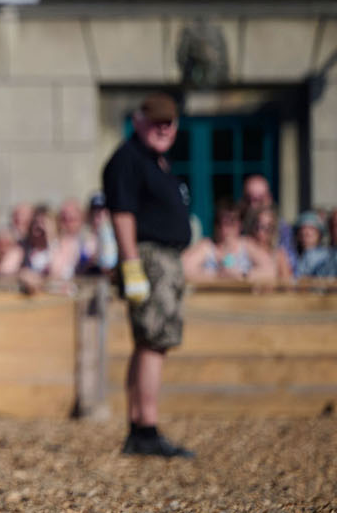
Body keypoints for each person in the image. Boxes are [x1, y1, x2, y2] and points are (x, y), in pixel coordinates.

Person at [102, 92, 194, 458]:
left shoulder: (156, 161)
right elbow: (122, 213)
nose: (164, 128)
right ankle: (146, 428)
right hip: (149, 259)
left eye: (169, 122)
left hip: (164, 261)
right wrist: (130, 264)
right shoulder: (129, 159)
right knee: (154, 342)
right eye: (156, 122)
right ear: (137, 120)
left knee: (149, 343)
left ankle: (141, 426)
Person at [182, 203, 264, 281]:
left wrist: (242, 275)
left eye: (231, 222)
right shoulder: (207, 245)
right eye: (220, 222)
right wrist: (217, 275)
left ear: (240, 224)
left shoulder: (247, 244)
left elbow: (269, 269)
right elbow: (185, 269)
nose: (224, 228)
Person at [244, 206, 292, 285]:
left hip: (271, 295)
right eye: (260, 226)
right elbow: (228, 261)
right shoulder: (245, 244)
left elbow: (287, 284)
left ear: (273, 229)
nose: (263, 230)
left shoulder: (279, 254)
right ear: (253, 225)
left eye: (269, 227)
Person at [292, 211, 332, 278]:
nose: (306, 233)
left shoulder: (327, 257)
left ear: (319, 234)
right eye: (302, 228)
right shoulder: (291, 256)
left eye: (311, 228)